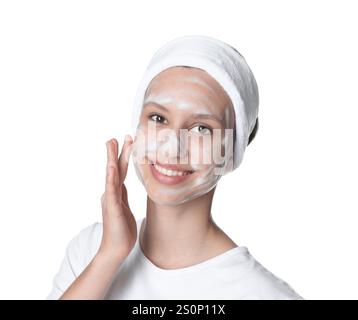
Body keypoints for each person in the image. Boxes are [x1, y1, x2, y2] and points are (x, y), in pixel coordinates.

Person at [47, 35, 302, 300]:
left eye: (201, 128)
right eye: (158, 118)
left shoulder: (263, 294)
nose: (171, 148)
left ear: (232, 152)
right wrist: (109, 255)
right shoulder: (91, 249)